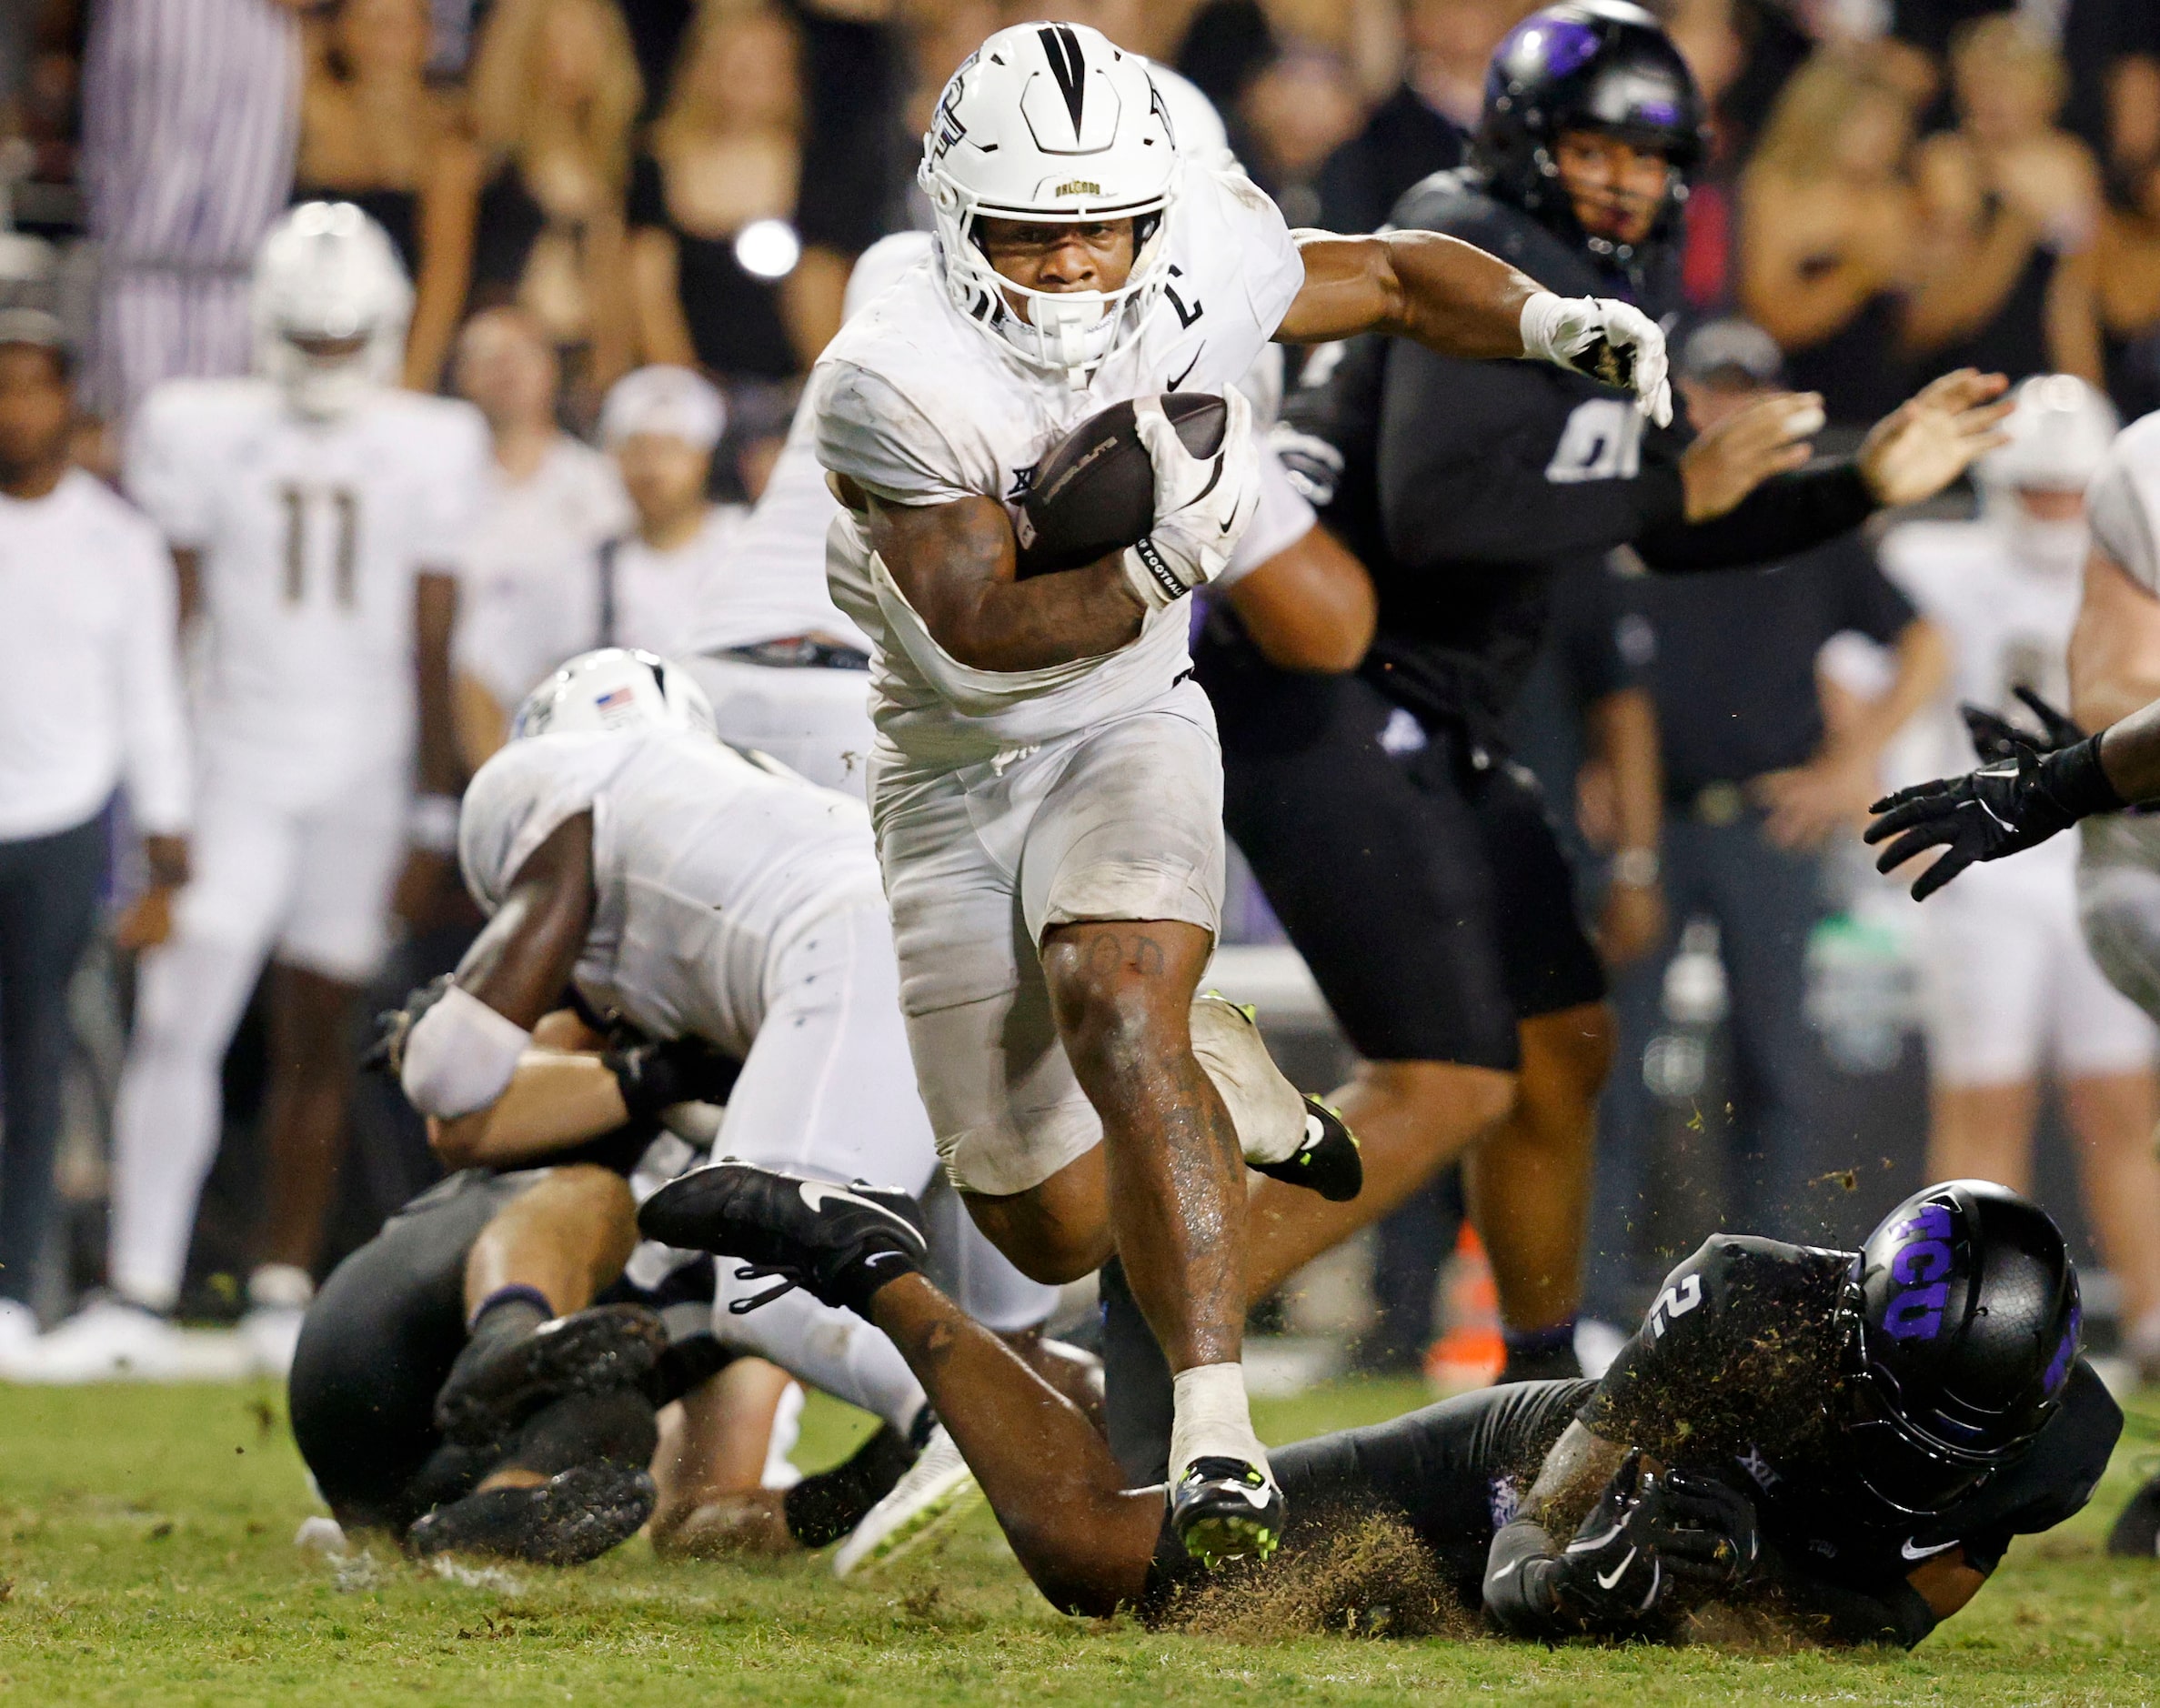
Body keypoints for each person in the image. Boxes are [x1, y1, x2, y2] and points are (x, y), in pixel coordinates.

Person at [811, 12, 1679, 1565]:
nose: (1078, 271)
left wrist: (1548, 318)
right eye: (1034, 234)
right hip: (952, 756)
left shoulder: (1202, 250)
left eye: (1107, 233)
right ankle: (1202, 1078)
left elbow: (1405, 275)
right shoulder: (892, 367)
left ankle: (1218, 1434)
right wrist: (1165, 553)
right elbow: (979, 629)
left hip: (1134, 715)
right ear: (954, 216)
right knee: (1050, 1222)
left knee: (1117, 990)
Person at [1195, 5, 2003, 1393]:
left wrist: (1857, 485)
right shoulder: (1480, 235)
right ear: (1523, 141)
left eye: (1650, 155)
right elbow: (1444, 509)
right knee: (1449, 1082)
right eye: (1593, 147)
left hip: (1424, 710)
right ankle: (1153, 1346)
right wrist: (1663, 483)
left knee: (1561, 1044)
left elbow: (1660, 524)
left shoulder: (1580, 263)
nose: (1626, 179)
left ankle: (1529, 1382)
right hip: (1328, 696)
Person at [647, 1160, 2119, 1645]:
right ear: (1835, 1335)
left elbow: (1890, 1621)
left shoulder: (2062, 1446)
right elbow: (1522, 1552)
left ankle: (1080, 1378)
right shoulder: (1739, 1308)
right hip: (1542, 1457)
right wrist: (1615, 1566)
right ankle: (878, 1268)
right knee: (1111, 1566)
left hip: (1680, 1540)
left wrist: (1735, 1591)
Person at [373, 646, 1106, 1574]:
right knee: (1007, 1339)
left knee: (771, 1285)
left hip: (856, 943)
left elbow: (451, 1076)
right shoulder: (723, 803)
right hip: (980, 926)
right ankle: (1154, 1464)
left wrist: (442, 1019)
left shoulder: (557, 780)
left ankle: (942, 1427)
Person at [24, 204, 487, 1383]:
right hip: (233, 757)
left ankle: (280, 1283)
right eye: (310, 339)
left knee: (321, 1029)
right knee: (180, 1018)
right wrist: (160, 795)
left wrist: (434, 807)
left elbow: (434, 641)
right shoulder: (197, 424)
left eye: (344, 341)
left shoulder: (435, 440)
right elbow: (171, 620)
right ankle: (137, 1279)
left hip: (365, 765)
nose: (327, 361)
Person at [1868, 400, 2160, 1554]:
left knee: (2119, 1116)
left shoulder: (2136, 466)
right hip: (2060, 856)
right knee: (1993, 1110)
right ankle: (1955, 1368)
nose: (2043, 506)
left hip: (2090, 835)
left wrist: (2060, 777)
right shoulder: (2118, 480)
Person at [1592, 318, 1949, 1259]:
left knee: (1776, 1067)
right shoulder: (1636, 509)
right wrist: (1586, 771)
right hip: (1648, 820)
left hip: (1766, 823)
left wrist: (1845, 764)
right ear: (1680, 398)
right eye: (1714, 384)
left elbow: (1922, 642)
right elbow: (1574, 655)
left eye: (1751, 386)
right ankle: (1589, 1301)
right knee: (1612, 1064)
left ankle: (1763, 1299)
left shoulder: (1803, 517)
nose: (1732, 403)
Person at [0, 310, 190, 1351]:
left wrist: (165, 848)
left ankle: (15, 1294)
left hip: (61, 822)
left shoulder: (119, 541)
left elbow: (150, 700)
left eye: (34, 385)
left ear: (69, 403)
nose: (15, 408)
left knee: (38, 1066)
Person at [81, 0, 304, 426]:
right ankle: (132, 416)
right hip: (171, 14)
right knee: (150, 224)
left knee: (236, 245)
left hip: (260, 20)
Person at [448, 306, 632, 772]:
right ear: (461, 377)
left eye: (520, 355)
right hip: (443, 709)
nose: (504, 371)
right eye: (487, 358)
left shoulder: (600, 485)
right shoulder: (437, 483)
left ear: (551, 369)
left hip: (569, 712)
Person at [628, 1, 846, 384]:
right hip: (688, 390)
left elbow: (819, 297)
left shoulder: (814, 170)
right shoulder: (657, 165)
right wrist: (687, 391)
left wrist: (817, 396)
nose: (746, 78)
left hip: (789, 387)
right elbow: (649, 297)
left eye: (762, 66)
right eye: (735, 63)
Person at [291, 0, 486, 393]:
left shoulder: (446, 139)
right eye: (371, 24)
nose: (385, 42)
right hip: (301, 336)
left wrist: (411, 382)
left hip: (390, 351)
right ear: (341, 31)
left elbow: (444, 274)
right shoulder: (307, 111)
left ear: (427, 36)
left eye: (400, 26)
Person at [463, 0, 641, 417]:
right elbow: (447, 270)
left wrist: (611, 373)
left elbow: (608, 283)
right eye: (557, 42)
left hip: (577, 368)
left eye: (586, 42)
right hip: (497, 370)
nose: (571, 60)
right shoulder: (481, 158)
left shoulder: (606, 164)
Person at [1905, 17, 2103, 389]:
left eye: (2007, 82)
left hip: (2042, 384)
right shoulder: (1947, 162)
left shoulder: (2071, 163)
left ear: (2047, 92)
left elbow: (2073, 303)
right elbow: (1936, 316)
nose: (1991, 97)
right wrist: (2016, 227)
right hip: (1960, 376)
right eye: (1980, 82)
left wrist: (2090, 402)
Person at [1738, 52, 1921, 429]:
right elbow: (1774, 320)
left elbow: (1919, 329)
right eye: (1871, 124)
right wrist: (1859, 271)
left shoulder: (1894, 200)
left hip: (1878, 403)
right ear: (1826, 117)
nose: (1885, 140)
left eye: (1894, 125)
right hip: (1789, 397)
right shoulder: (1775, 190)